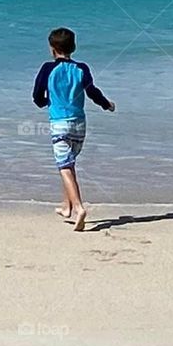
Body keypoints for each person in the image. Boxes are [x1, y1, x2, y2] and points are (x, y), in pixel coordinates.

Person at [32, 27, 115, 231]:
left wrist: (46, 103)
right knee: (68, 163)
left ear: (52, 49)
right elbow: (92, 92)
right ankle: (66, 207)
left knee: (65, 167)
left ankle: (79, 208)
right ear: (74, 47)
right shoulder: (82, 68)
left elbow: (37, 96)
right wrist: (107, 105)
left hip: (60, 123)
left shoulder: (47, 69)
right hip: (79, 124)